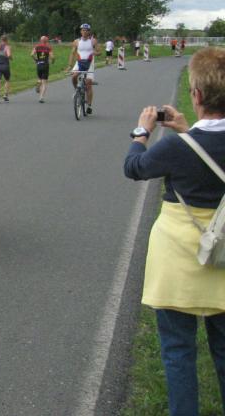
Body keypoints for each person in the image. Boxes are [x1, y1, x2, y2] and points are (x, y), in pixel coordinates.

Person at [123, 46, 225, 415]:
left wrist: (142, 132)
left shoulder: (176, 148)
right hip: (223, 258)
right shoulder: (187, 141)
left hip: (177, 259)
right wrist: (188, 130)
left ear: (196, 95)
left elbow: (134, 167)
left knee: (178, 350)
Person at [67, 23, 99, 115]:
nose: (84, 32)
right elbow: (72, 53)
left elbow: (99, 52)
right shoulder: (76, 41)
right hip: (79, 62)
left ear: (89, 32)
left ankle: (89, 105)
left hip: (89, 63)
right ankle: (77, 91)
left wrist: (95, 53)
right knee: (74, 77)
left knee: (88, 83)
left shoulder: (93, 41)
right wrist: (69, 65)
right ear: (81, 31)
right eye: (83, 30)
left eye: (86, 30)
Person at [30, 35, 54, 103]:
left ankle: (38, 83)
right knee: (44, 82)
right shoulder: (48, 47)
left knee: (40, 78)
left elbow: (31, 54)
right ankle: (41, 97)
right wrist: (53, 61)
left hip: (39, 64)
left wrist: (36, 60)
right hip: (45, 65)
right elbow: (52, 57)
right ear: (46, 41)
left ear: (40, 40)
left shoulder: (37, 46)